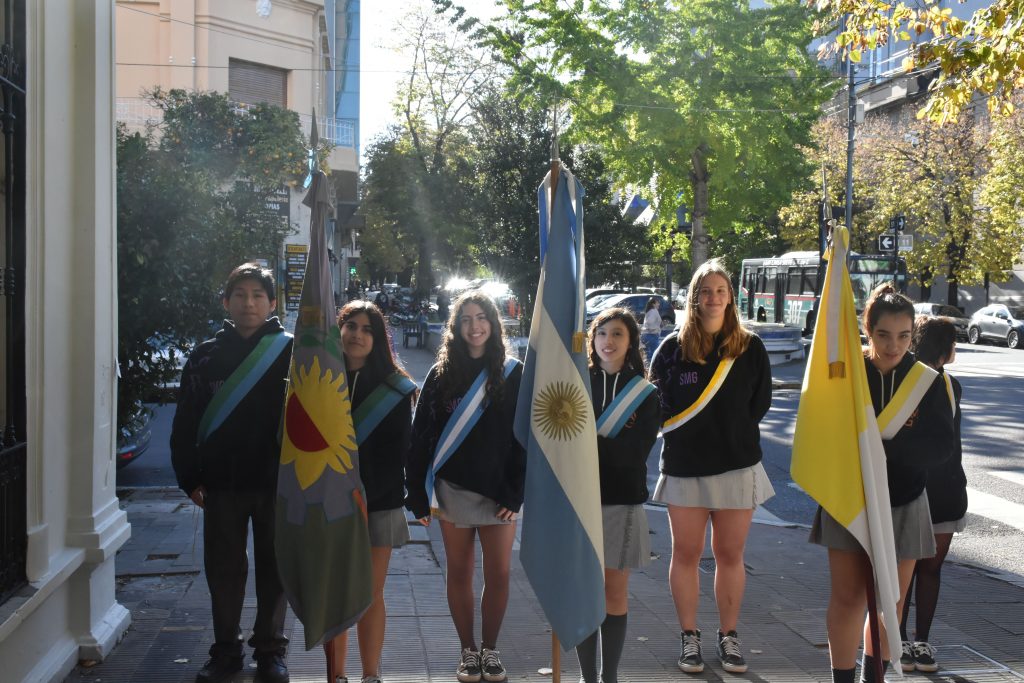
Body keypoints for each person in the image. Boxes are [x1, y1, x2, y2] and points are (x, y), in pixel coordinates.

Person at [809, 283, 954, 683]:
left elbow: (942, 444)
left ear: (913, 335)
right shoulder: (844, 374)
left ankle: (875, 678)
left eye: (904, 336)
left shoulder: (927, 381)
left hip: (904, 501)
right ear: (868, 331)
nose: (894, 346)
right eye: (884, 335)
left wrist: (887, 454)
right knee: (848, 598)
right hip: (848, 499)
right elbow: (821, 429)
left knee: (891, 599)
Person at [649, 259, 773, 675]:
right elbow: (658, 406)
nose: (714, 298)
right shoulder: (671, 349)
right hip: (685, 467)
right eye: (706, 291)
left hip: (737, 466)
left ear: (730, 297)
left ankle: (729, 635)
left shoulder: (750, 347)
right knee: (686, 554)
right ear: (694, 298)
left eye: (721, 290)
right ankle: (689, 638)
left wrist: (729, 434)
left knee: (730, 555)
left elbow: (760, 405)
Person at [170, 263, 292, 683]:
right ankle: (226, 651)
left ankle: (271, 650)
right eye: (239, 294)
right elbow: (185, 421)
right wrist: (190, 477)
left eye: (258, 295)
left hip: (279, 483)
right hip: (221, 484)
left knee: (276, 569)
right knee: (223, 571)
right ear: (226, 301)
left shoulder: (293, 351)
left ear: (273, 303)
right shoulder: (204, 356)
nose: (249, 302)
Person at [405, 291, 524, 683]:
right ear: (455, 328)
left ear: (493, 324)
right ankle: (467, 652)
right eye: (466, 319)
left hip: (498, 494)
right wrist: (417, 493)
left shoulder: (513, 372)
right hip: (453, 488)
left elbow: (526, 437)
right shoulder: (441, 375)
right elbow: (420, 436)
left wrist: (515, 490)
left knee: (500, 574)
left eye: (482, 318)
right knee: (459, 572)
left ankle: (491, 650)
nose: (475, 326)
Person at [324, 302, 417, 683]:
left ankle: (370, 675)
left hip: (377, 503)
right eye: (351, 326)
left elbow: (399, 453)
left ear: (378, 339)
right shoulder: (319, 380)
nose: (358, 334)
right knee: (334, 594)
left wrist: (363, 496)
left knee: (369, 594)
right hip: (327, 505)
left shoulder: (395, 389)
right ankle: (337, 675)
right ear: (340, 331)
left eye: (367, 329)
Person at [574, 308, 661, 683]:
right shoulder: (575, 384)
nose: (608, 341)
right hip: (577, 502)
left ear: (631, 342)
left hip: (622, 501)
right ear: (592, 340)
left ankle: (609, 676)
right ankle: (587, 676)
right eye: (602, 333)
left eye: (618, 334)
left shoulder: (646, 394)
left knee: (613, 593)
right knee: (582, 592)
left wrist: (586, 446)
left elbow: (633, 455)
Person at [898, 315, 965, 674]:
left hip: (910, 486)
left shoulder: (904, 380)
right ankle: (922, 641)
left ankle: (900, 640)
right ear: (946, 347)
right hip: (944, 492)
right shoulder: (951, 386)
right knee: (930, 572)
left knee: (904, 571)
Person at [640, 296, 662, 364]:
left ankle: (646, 370)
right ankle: (651, 371)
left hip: (646, 335)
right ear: (653, 304)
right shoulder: (653, 311)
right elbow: (650, 322)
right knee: (653, 356)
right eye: (657, 303)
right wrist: (654, 329)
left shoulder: (649, 311)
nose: (659, 304)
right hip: (651, 335)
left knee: (647, 356)